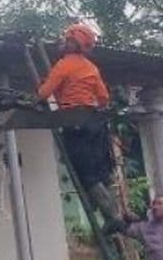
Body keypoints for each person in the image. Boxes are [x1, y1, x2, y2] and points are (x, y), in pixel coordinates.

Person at [36, 23, 121, 231]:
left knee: (84, 171)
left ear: (73, 43)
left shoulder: (64, 65)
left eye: (66, 40)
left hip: (74, 123)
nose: (63, 43)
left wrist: (41, 85)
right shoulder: (91, 68)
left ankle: (112, 215)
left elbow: (43, 94)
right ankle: (112, 212)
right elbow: (103, 98)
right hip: (95, 123)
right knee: (100, 170)